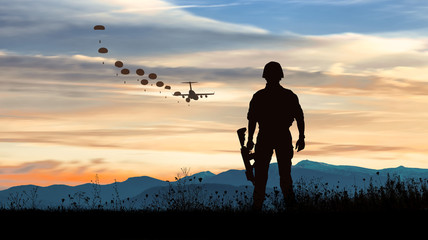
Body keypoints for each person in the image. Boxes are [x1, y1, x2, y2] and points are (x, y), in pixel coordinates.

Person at [247, 61, 305, 211]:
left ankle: (257, 207)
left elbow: (252, 120)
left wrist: (250, 140)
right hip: (279, 136)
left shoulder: (260, 96)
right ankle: (289, 206)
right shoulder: (288, 95)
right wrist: (301, 137)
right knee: (282, 176)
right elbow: (299, 117)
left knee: (264, 177)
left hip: (269, 136)